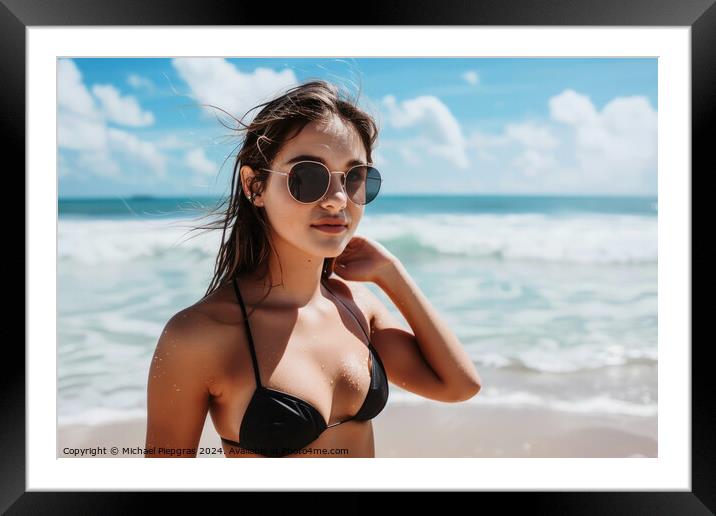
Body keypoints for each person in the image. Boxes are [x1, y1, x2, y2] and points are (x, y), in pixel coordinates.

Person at [144, 80, 481, 458]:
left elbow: (459, 386)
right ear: (255, 186)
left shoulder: (355, 308)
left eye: (355, 178)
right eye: (308, 177)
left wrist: (392, 274)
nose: (338, 200)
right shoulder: (199, 335)